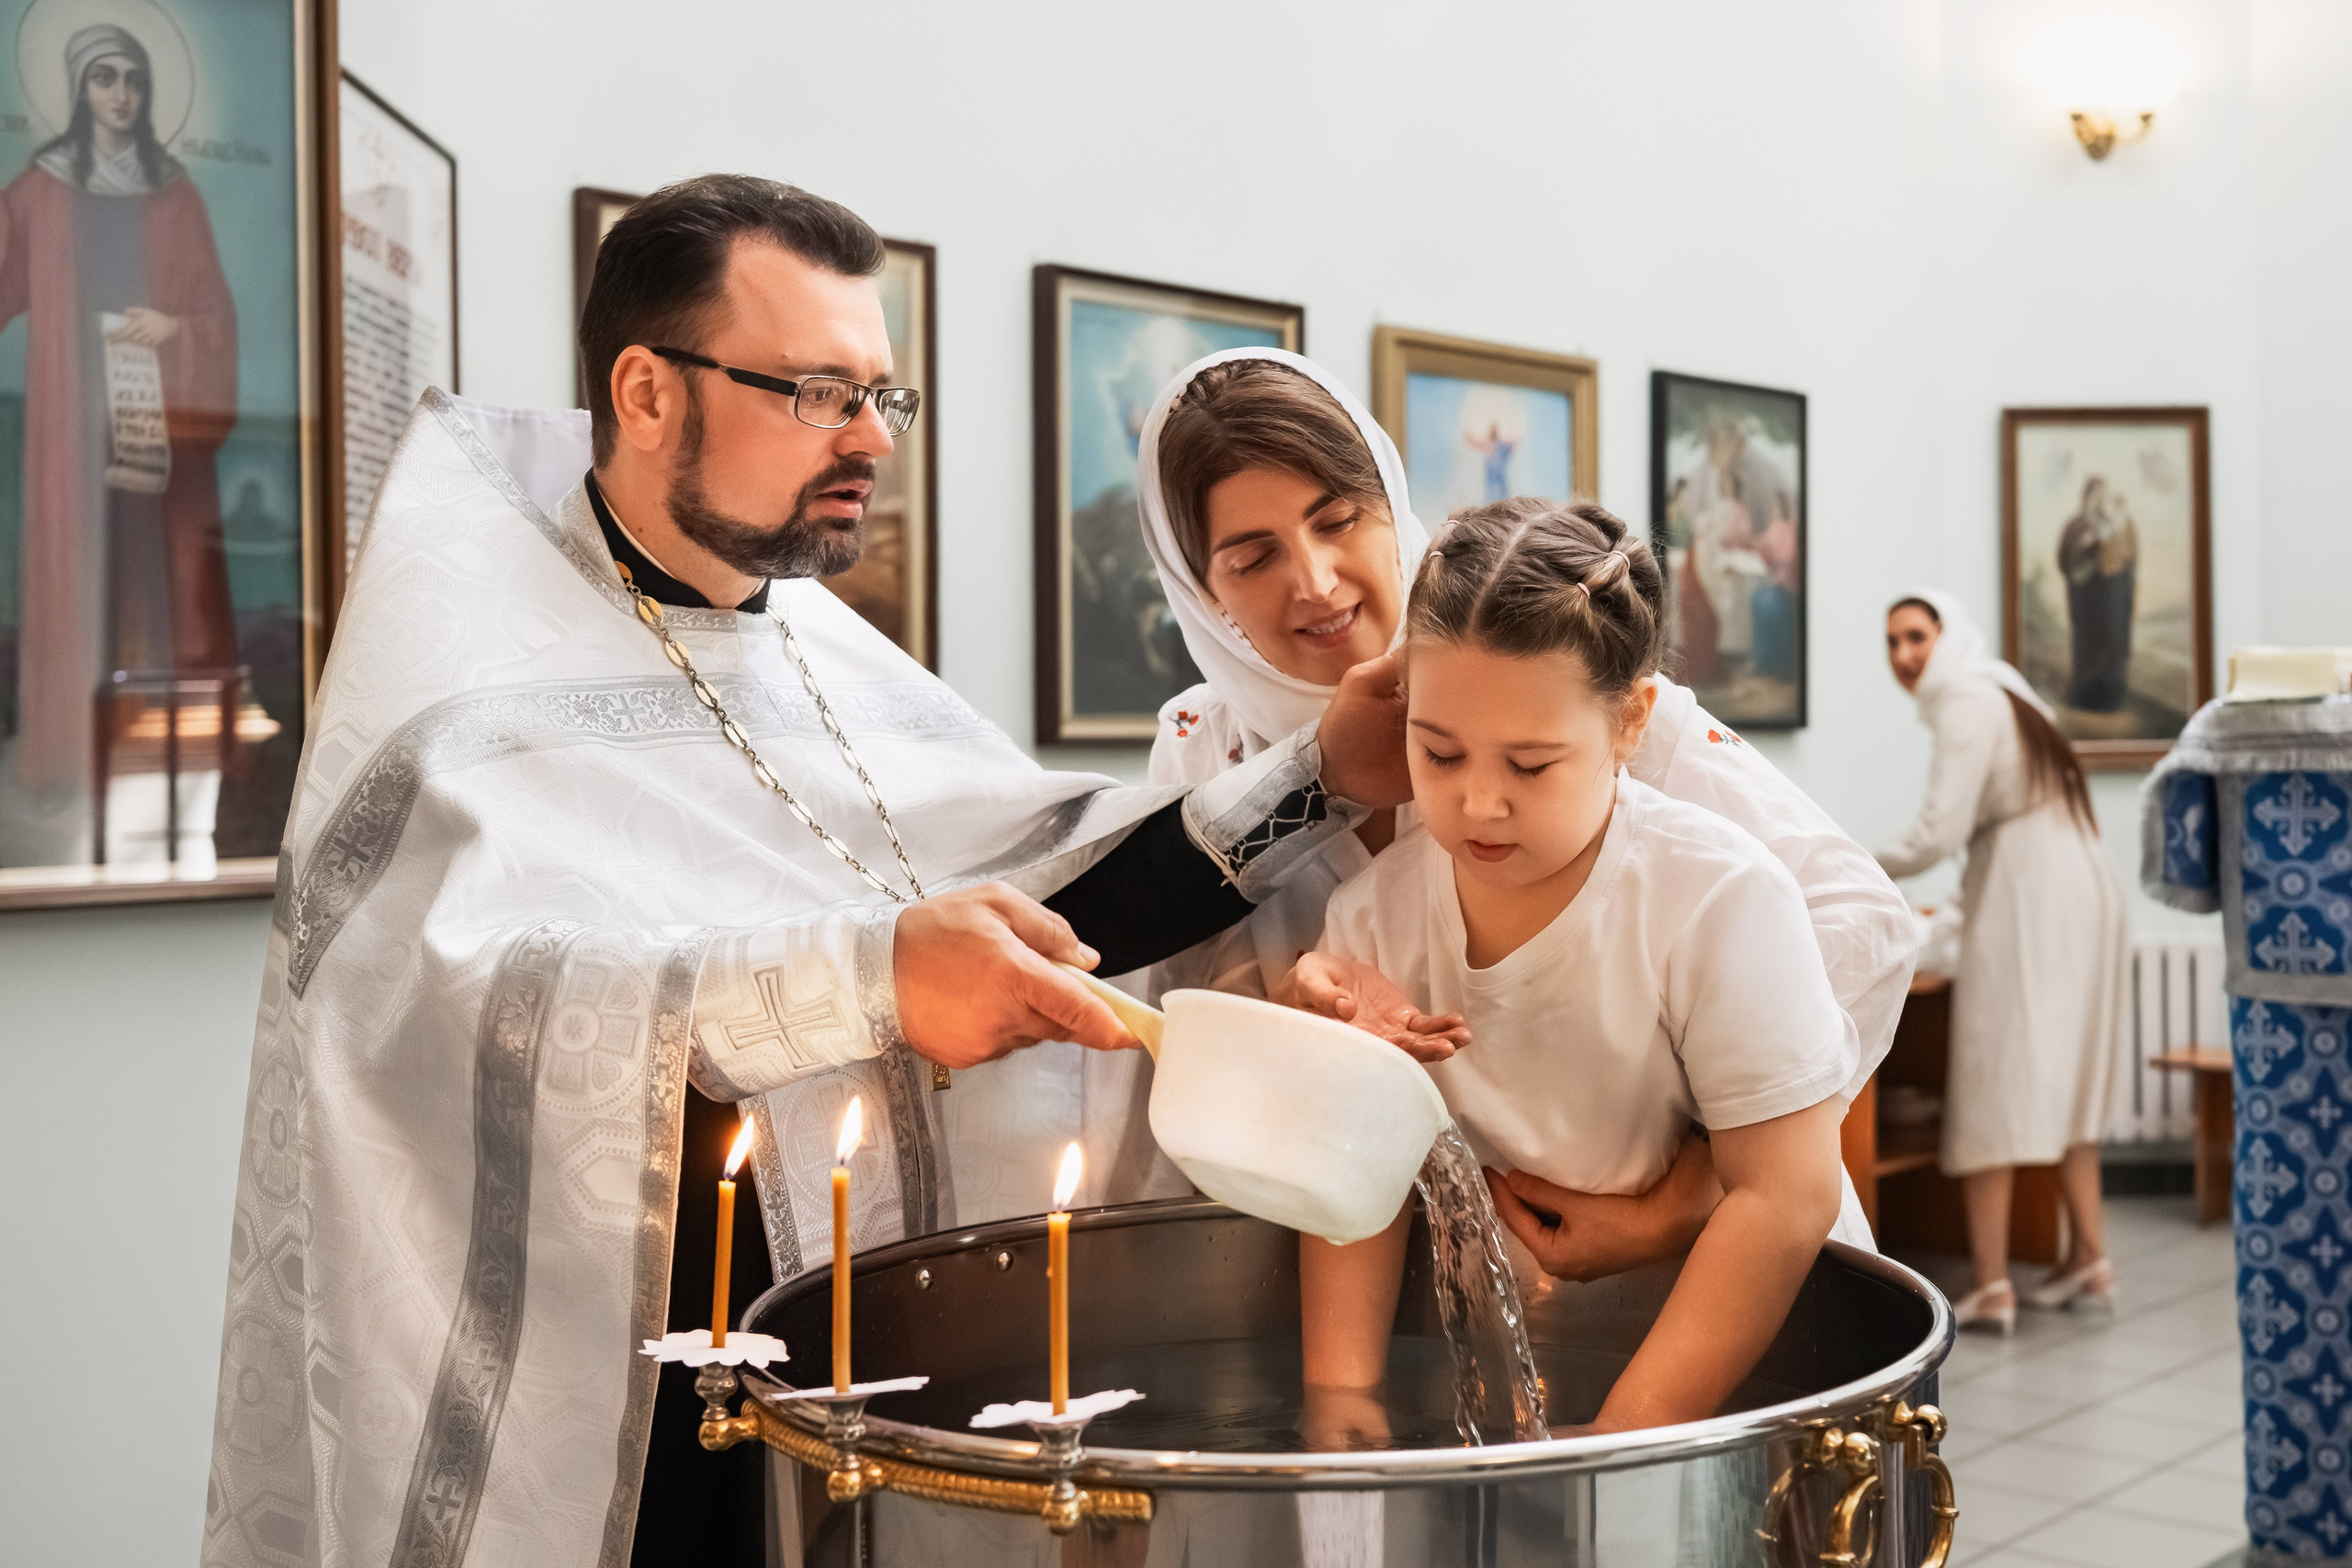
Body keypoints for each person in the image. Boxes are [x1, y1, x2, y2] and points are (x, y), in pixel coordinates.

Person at [200, 176, 1423, 1568]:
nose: (868, 442)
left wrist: (1326, 767)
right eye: (816, 393)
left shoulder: (815, 646)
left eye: (882, 398)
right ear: (649, 391)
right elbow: (470, 1007)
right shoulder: (467, 680)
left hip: (843, 1378)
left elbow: (1048, 882)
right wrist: (873, 976)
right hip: (624, 1402)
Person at [1136, 348, 1914, 1279]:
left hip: (1704, 1267)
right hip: (1397, 1277)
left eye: (1338, 520)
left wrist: (1697, 1189)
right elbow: (1180, 1031)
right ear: (1198, 588)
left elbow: (1862, 923)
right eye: (1251, 557)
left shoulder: (1597, 705)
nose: (1314, 580)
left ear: (1392, 507)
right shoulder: (1200, 751)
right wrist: (1297, 1025)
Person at [1291, 500, 1856, 1437]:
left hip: (1725, 1355)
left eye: (1530, 764)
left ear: (1629, 722)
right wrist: (1340, 1397)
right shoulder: (1374, 913)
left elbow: (1786, 1194)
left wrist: (1628, 1434)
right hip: (1510, 1344)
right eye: (1437, 750)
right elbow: (1355, 1173)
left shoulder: (1714, 898)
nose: (1477, 800)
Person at [0, 23, 240, 868]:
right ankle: (67, 750)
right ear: (79, 89)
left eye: (133, 79)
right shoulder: (37, 192)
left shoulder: (174, 197)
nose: (121, 94)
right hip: (71, 418)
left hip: (154, 414)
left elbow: (212, 311)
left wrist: (172, 323)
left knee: (152, 582)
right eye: (104, 78)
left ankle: (150, 765)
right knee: (76, 568)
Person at [1878, 590, 2128, 1332]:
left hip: (2032, 891)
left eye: (1916, 635)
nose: (1903, 655)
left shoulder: (1964, 701)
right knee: (2069, 1073)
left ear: (1947, 635)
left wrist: (1844, 861)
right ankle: (2090, 1254)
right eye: (1891, 642)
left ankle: (1991, 1280)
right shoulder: (2004, 689)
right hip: (2079, 879)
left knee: (1994, 1068)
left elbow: (1935, 832)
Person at [2057, 475, 2137, 713]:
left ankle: (2113, 697)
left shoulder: (2119, 525)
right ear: (2087, 498)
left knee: (2112, 645)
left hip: (2112, 601)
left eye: (2104, 496)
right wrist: (2084, 547)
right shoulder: (2076, 526)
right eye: (2096, 496)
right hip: (2086, 602)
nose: (2100, 501)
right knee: (2087, 648)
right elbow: (2066, 561)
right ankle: (2084, 698)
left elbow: (2128, 560)